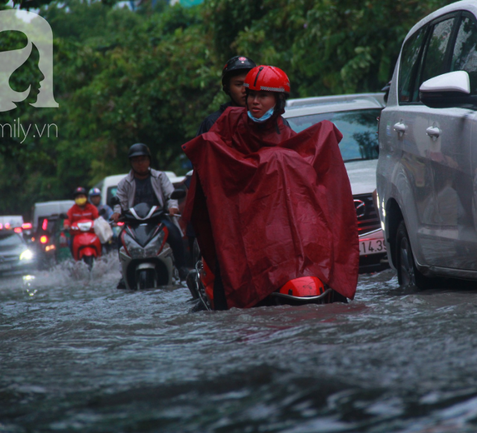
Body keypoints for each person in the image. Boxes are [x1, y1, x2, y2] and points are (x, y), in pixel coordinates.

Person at [182, 65, 359, 310]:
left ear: (278, 100)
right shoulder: (227, 123)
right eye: (251, 95)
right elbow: (217, 168)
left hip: (276, 223)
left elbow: (299, 173)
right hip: (240, 217)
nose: (255, 101)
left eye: (262, 96)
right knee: (228, 270)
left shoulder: (283, 129)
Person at [110, 143, 190, 286]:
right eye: (136, 160)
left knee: (174, 233)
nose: (140, 163)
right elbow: (119, 201)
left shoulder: (160, 177)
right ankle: (124, 273)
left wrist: (172, 208)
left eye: (143, 159)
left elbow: (170, 194)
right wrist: (117, 213)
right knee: (120, 239)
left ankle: (181, 267)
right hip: (133, 221)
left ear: (149, 160)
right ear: (131, 163)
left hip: (158, 218)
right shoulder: (124, 183)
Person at [196, 55, 257, 136]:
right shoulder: (214, 122)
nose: (244, 90)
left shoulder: (267, 119)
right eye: (238, 85)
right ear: (227, 88)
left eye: (249, 84)